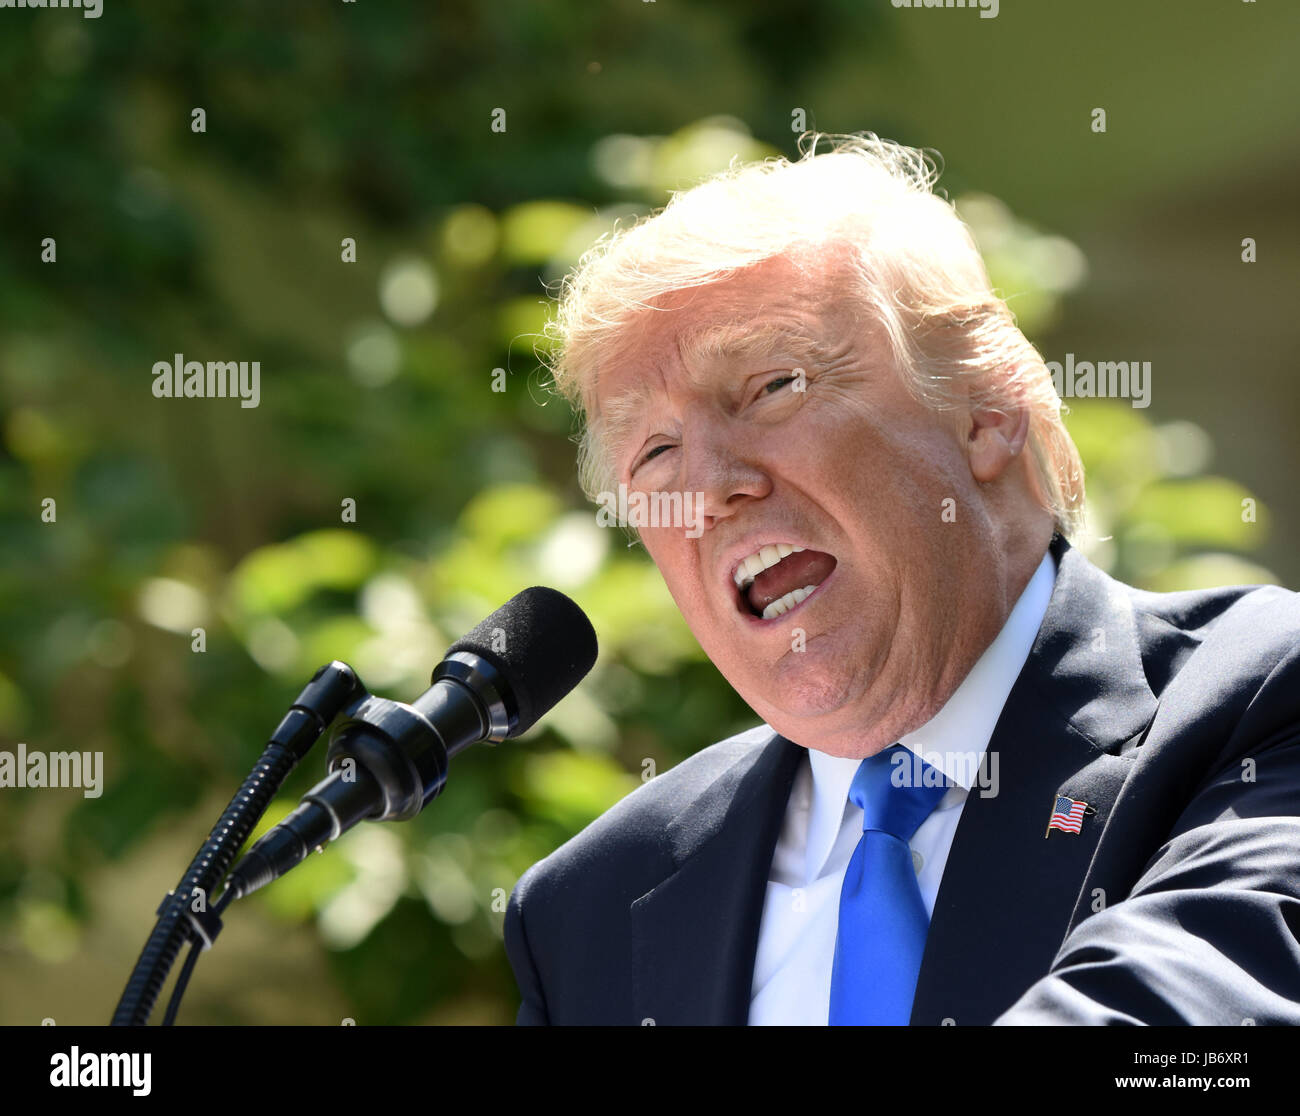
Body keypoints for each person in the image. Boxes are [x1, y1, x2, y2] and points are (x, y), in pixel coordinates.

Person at [503, 134, 1300, 1025]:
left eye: (772, 385)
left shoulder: (1261, 701)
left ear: (984, 411)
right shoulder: (588, 910)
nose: (709, 488)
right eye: (653, 452)